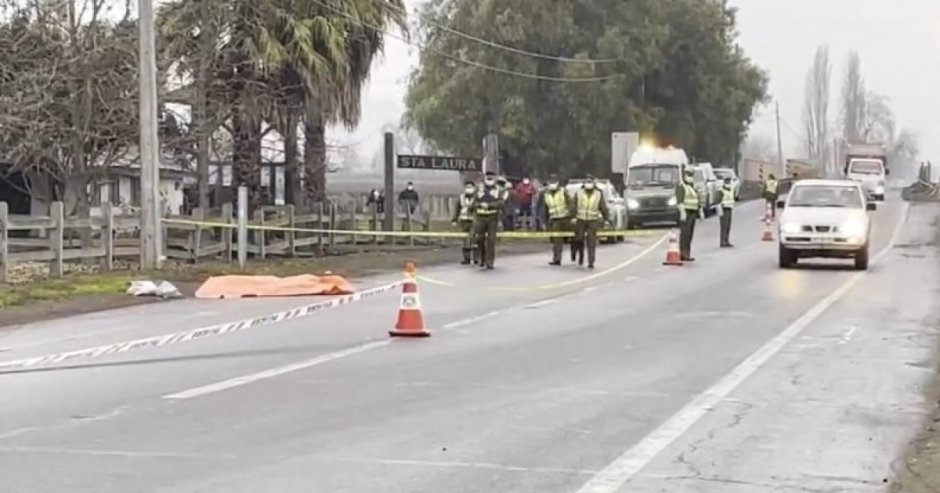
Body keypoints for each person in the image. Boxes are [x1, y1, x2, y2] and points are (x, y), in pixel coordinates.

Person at [571, 175, 609, 269]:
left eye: (590, 182)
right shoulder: (579, 193)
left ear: (593, 183)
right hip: (580, 219)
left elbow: (603, 207)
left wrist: (607, 218)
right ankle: (580, 255)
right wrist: (572, 216)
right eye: (587, 182)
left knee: (591, 242)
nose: (588, 184)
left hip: (592, 220)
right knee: (579, 238)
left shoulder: (598, 194)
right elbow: (574, 206)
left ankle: (591, 262)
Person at [538, 174, 572, 266]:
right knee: (557, 241)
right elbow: (545, 210)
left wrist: (572, 215)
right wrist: (544, 223)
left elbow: (570, 204)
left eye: (554, 182)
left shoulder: (563, 191)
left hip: (566, 218)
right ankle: (557, 259)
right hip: (555, 220)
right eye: (550, 182)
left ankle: (575, 254)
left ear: (557, 183)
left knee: (576, 238)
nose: (552, 184)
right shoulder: (546, 194)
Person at [473, 172, 504, 269]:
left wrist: (490, 205)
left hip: (492, 218)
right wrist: (480, 205)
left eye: (491, 177)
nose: (489, 179)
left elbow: (501, 202)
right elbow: (474, 202)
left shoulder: (498, 190)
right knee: (479, 239)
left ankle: (490, 261)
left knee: (491, 240)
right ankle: (482, 258)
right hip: (480, 217)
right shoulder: (479, 189)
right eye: (488, 177)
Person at [675, 167, 704, 261]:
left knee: (690, 234)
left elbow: (697, 198)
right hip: (686, 212)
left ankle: (687, 252)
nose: (690, 177)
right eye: (688, 175)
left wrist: (700, 210)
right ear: (685, 175)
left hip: (693, 212)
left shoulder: (693, 186)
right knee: (685, 234)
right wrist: (682, 212)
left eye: (691, 175)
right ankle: (683, 253)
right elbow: (679, 200)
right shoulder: (681, 185)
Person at [451, 180, 478, 264]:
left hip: (475, 221)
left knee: (475, 240)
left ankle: (476, 258)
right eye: (467, 187)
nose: (468, 189)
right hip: (464, 221)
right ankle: (466, 258)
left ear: (474, 188)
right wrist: (454, 219)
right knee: (465, 240)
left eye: (470, 187)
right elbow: (457, 209)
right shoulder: (461, 197)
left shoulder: (478, 197)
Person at [717, 177, 735, 248]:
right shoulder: (721, 190)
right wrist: (720, 211)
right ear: (724, 183)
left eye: (729, 182)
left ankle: (726, 240)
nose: (728, 184)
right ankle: (722, 242)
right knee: (724, 227)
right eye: (727, 182)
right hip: (723, 209)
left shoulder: (730, 190)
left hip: (729, 209)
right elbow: (718, 201)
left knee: (728, 226)